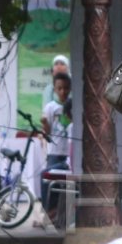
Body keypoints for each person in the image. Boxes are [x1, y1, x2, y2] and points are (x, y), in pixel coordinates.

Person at [39, 71, 71, 222]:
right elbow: (47, 133)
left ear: (70, 88)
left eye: (66, 88)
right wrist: (45, 124)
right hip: (54, 153)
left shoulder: (72, 106)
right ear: (55, 89)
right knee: (50, 183)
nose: (63, 91)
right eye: (60, 88)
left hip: (69, 154)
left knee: (63, 188)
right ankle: (49, 214)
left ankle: (60, 216)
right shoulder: (50, 107)